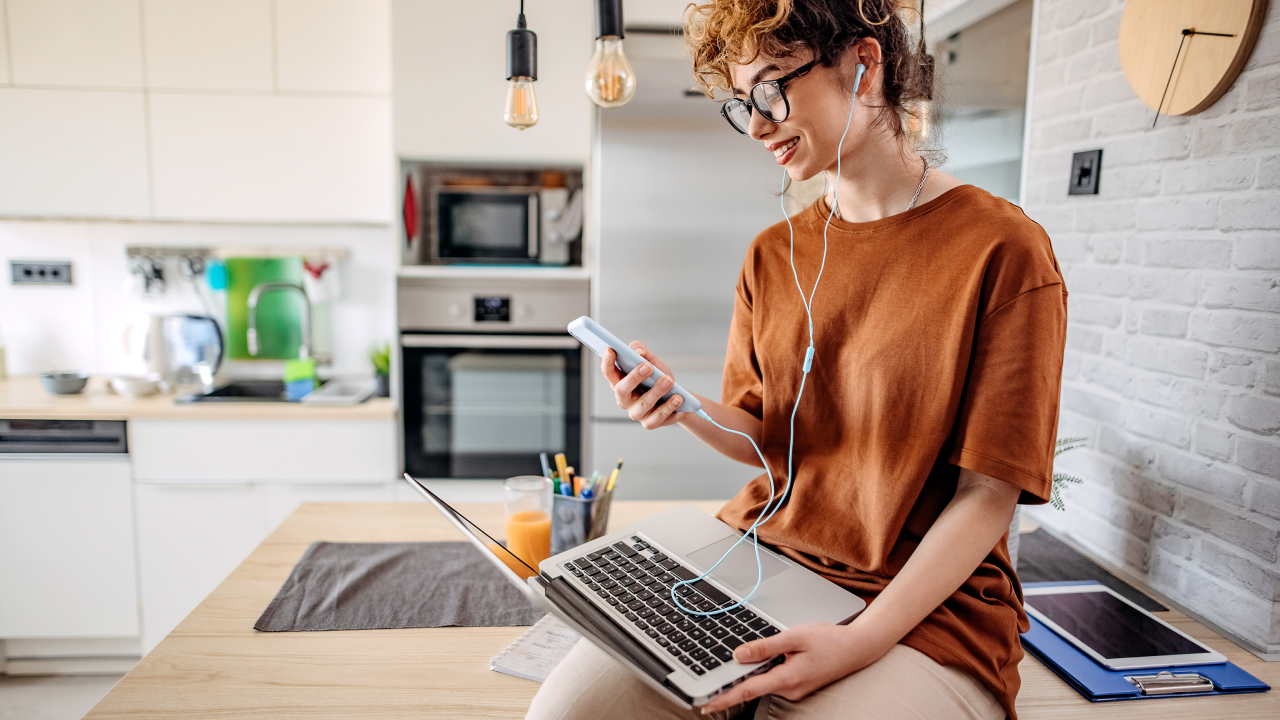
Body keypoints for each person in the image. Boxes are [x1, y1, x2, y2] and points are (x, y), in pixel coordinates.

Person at [525, 0, 1066, 718]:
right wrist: (678, 403)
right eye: (742, 104)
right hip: (763, 561)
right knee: (568, 712)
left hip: (925, 607)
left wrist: (861, 640)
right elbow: (763, 439)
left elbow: (985, 497)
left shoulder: (1003, 250)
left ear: (863, 65)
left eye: (773, 86)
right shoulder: (772, 255)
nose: (756, 124)